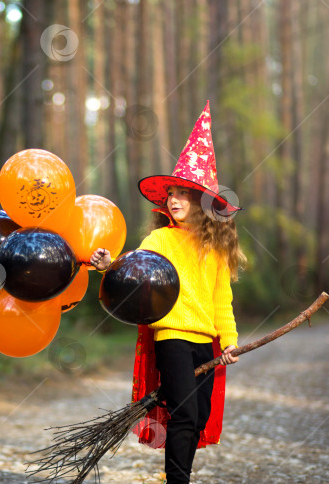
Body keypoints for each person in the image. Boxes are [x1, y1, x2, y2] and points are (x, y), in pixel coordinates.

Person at [90, 101, 246, 484]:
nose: (173, 200)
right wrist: (108, 263)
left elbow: (220, 298)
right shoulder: (159, 239)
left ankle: (182, 475)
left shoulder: (215, 249)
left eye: (184, 194)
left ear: (203, 202)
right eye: (171, 194)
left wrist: (228, 340)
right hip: (172, 335)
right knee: (185, 413)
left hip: (205, 340)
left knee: (200, 415)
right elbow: (134, 267)